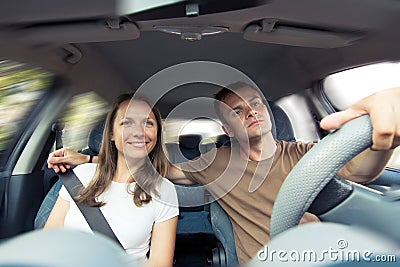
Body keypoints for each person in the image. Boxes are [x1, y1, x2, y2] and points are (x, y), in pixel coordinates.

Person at [48, 84, 400, 264]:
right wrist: (90, 157)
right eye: (236, 110)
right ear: (226, 127)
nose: (249, 112)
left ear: (267, 111)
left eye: (255, 104)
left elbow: (358, 172)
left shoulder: (309, 155)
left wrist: (380, 134)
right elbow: (157, 168)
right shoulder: (215, 161)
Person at [45, 93, 179, 267]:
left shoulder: (164, 191)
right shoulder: (81, 175)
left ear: (157, 134)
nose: (138, 132)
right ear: (111, 134)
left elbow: (159, 263)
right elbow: (49, 239)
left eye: (148, 123)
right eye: (127, 122)